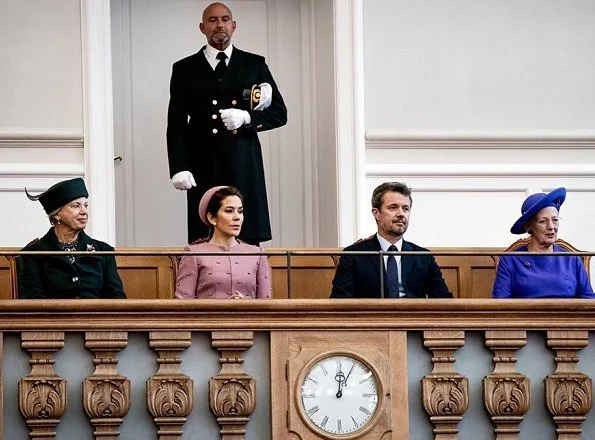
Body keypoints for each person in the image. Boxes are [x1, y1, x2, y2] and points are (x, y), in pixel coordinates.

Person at [167, 2, 287, 245]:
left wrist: (246, 118)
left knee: (246, 230)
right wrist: (179, 166)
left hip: (242, 160)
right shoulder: (184, 68)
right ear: (202, 28)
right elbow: (176, 122)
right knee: (204, 233)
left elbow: (279, 113)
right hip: (203, 161)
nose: (219, 25)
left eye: (224, 19)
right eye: (212, 20)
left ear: (233, 26)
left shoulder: (254, 64)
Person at [330, 182, 452, 299]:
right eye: (393, 208)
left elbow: (444, 301)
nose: (401, 214)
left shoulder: (423, 257)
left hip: (413, 319)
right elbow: (340, 302)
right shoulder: (353, 255)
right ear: (376, 213)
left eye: (405, 209)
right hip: (371, 318)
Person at [20, 178, 126, 299]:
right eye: (76, 206)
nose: (84, 211)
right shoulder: (33, 254)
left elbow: (117, 297)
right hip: (53, 317)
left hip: (96, 316)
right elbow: (33, 302)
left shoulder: (104, 251)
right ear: (56, 214)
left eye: (85, 205)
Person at [492, 188, 594, 298]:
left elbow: (588, 300)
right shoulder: (510, 260)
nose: (551, 227)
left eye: (555, 220)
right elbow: (500, 305)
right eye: (543, 221)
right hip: (525, 315)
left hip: (566, 315)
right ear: (529, 227)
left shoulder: (571, 258)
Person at [175, 185, 271, 299]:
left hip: (247, 317)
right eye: (229, 211)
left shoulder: (257, 254)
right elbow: (182, 306)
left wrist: (246, 307)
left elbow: (266, 306)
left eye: (240, 211)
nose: (237, 217)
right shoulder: (193, 253)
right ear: (212, 218)